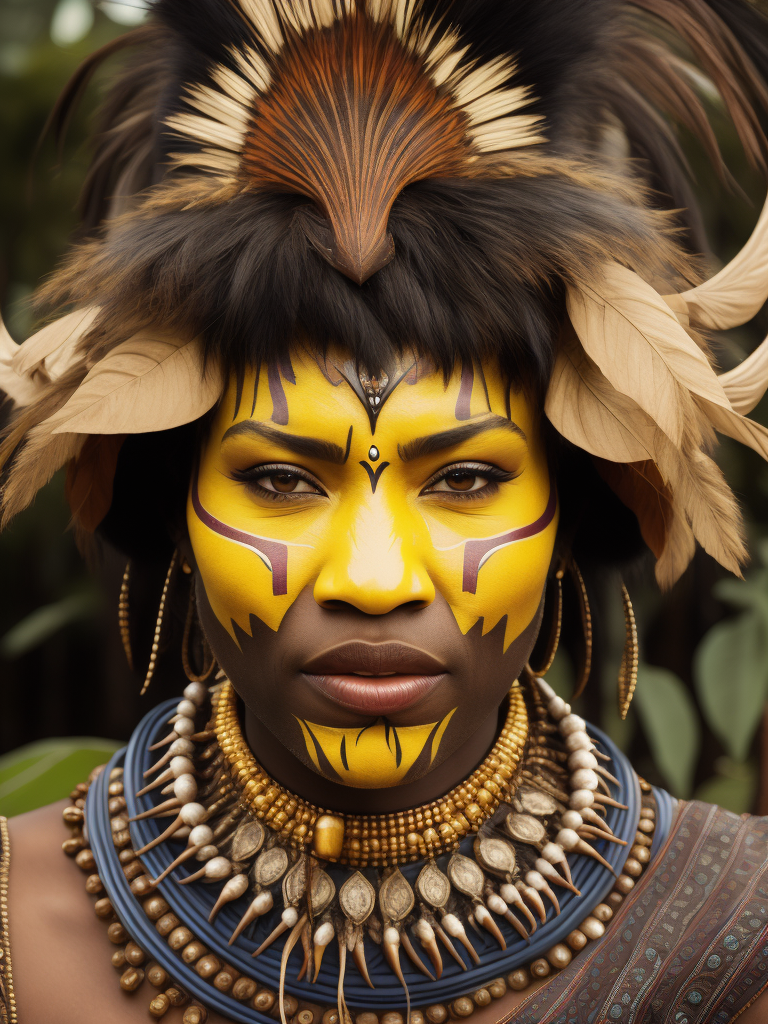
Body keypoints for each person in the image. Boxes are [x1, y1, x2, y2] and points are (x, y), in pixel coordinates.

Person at [3, 0, 768, 1021]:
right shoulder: (18, 927)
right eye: (279, 479)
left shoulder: (738, 940)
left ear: (574, 507)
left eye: (464, 479)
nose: (373, 578)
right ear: (173, 502)